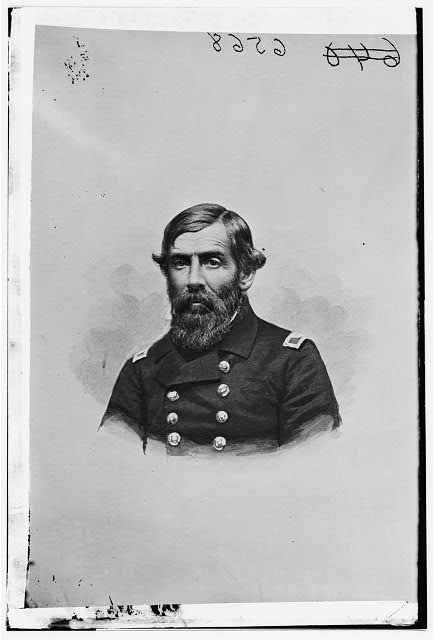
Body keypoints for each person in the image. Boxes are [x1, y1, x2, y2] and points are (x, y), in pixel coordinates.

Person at [101, 203, 341, 455]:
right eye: (180, 263)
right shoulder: (142, 370)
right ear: (166, 274)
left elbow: (312, 463)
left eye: (212, 262)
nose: (194, 280)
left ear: (245, 273)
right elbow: (114, 464)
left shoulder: (292, 361)